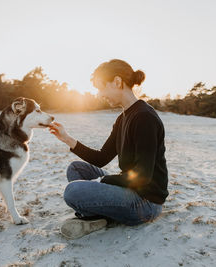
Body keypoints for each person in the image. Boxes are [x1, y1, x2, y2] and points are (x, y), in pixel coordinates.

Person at [48, 59, 169, 239]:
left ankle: (96, 215)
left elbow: (143, 177)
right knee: (75, 168)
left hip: (145, 202)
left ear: (117, 82)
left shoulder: (144, 117)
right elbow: (102, 158)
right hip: (130, 188)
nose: (100, 94)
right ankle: (100, 216)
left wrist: (103, 180)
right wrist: (66, 138)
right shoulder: (123, 118)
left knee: (72, 191)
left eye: (101, 87)